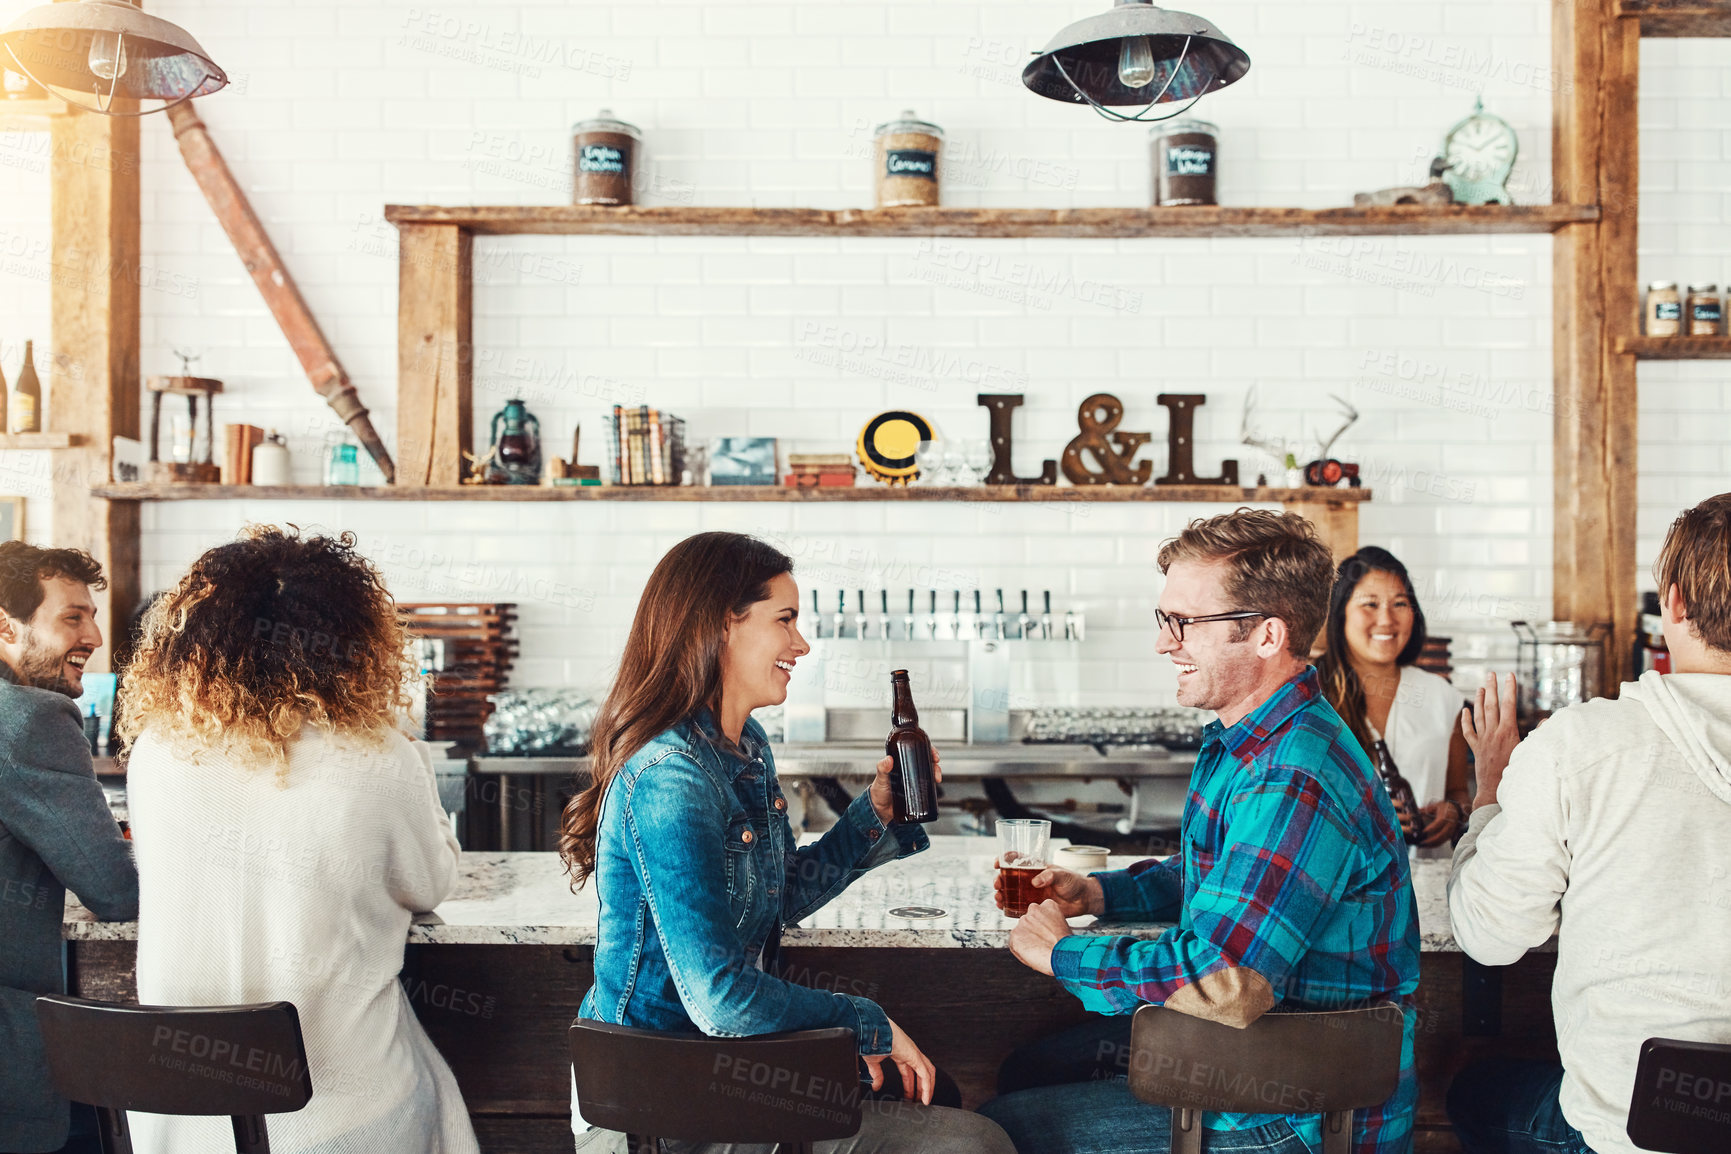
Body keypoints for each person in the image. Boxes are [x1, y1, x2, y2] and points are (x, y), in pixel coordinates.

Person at [979, 509, 1421, 1154]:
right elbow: (1225, 876)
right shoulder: (1251, 740)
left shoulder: (1293, 774)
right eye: (1166, 620)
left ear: (1267, 635)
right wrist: (1099, 895)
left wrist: (1060, 954)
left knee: (1005, 1127)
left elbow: (1224, 982)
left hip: (1300, 1113)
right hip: (1264, 1059)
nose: (1165, 643)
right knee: (1033, 1067)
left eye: (1184, 622)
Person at [561, 531, 1014, 1154]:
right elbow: (720, 999)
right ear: (723, 625)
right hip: (660, 1111)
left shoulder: (745, 749)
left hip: (728, 1077)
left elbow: (778, 892)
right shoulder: (670, 779)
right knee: (973, 1145)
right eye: (786, 620)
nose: (801, 644)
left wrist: (876, 813)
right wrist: (865, 1022)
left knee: (951, 1105)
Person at [118, 526, 478, 1154]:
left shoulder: (156, 753)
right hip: (344, 1123)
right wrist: (410, 756)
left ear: (193, 643)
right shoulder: (379, 758)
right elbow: (432, 883)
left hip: (178, 1125)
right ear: (352, 644)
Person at [1447, 493, 1731, 1154]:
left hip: (1621, 1135)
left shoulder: (1577, 746)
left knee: (1468, 1090)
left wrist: (1488, 789)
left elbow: (1489, 936)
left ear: (1674, 602)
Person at [0, 544, 137, 1154]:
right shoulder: (32, 721)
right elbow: (114, 891)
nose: (95, 634)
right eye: (72, 617)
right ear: (6, 625)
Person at [1317, 546, 1471, 856]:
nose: (1386, 619)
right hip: (1338, 889)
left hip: (1424, 887)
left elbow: (1458, 793)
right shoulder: (1311, 696)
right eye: (1370, 604)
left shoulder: (1441, 697)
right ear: (1340, 612)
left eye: (1399, 603)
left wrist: (1453, 813)